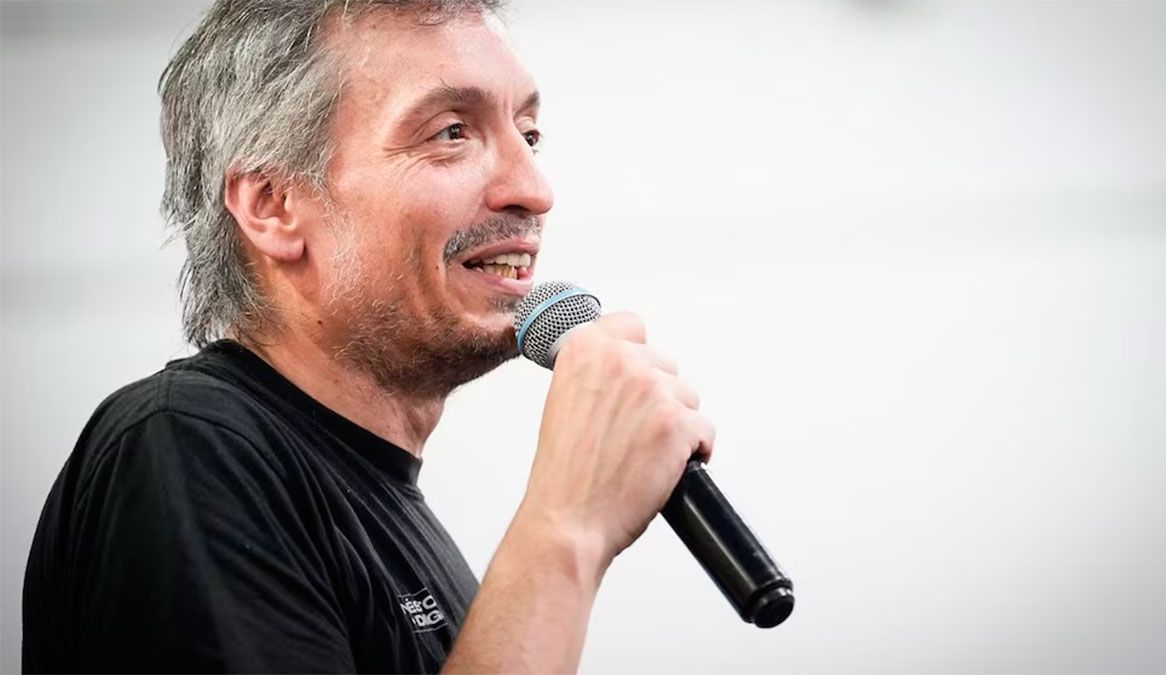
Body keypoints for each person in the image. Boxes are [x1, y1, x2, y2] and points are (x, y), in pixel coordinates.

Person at [22, 0, 715, 672]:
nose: (534, 189)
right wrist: (566, 528)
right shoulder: (190, 445)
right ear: (274, 206)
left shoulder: (386, 511)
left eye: (528, 135)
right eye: (452, 132)